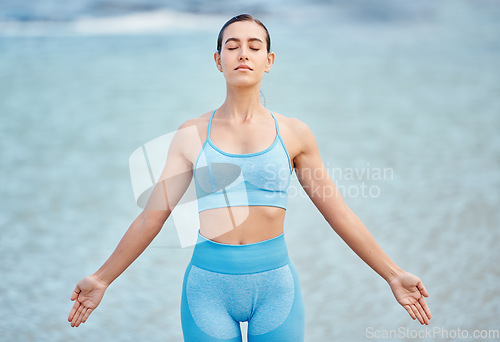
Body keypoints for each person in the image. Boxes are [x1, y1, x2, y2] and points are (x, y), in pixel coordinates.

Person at [68, 14, 431, 341]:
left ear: (268, 61)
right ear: (218, 60)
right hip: (207, 290)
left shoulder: (294, 134)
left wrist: (393, 274)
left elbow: (339, 213)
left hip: (275, 289)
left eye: (254, 46)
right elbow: (152, 217)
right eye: (232, 46)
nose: (243, 53)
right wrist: (101, 278)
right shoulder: (191, 133)